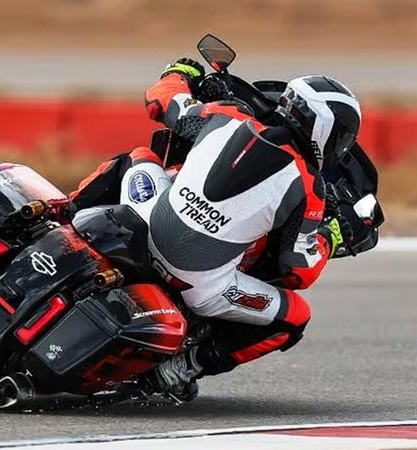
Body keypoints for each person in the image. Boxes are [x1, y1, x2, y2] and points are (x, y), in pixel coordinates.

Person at [116, 57, 364, 402]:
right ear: (324, 130)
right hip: (200, 286)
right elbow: (298, 271)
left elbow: (162, 101)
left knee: (139, 158)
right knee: (295, 316)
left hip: (146, 228)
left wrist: (180, 73)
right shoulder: (309, 188)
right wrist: (331, 237)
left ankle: (63, 214)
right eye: (343, 137)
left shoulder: (227, 114)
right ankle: (177, 370)